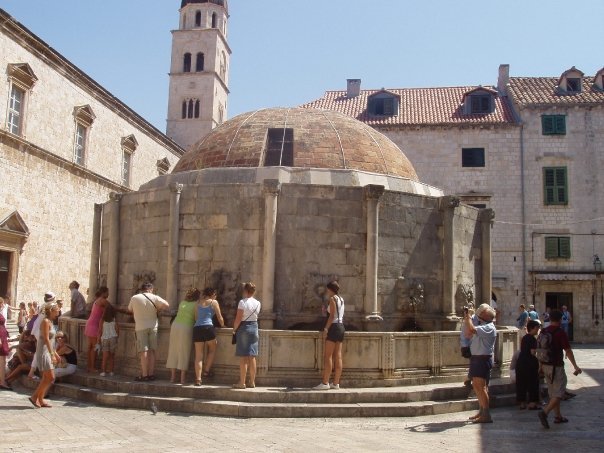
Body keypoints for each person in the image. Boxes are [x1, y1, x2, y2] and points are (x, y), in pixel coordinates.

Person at [537, 310, 582, 429]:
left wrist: (540, 366)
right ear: (561, 319)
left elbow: (540, 348)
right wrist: (575, 366)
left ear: (550, 318)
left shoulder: (544, 331)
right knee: (560, 392)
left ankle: (558, 416)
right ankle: (545, 412)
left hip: (545, 365)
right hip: (556, 366)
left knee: (553, 393)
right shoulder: (560, 333)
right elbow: (568, 350)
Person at [127, 282, 169, 381]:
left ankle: (144, 375)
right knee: (152, 351)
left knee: (143, 351)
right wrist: (157, 308)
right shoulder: (154, 297)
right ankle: (151, 374)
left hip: (140, 327)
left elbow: (129, 309)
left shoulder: (135, 298)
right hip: (153, 326)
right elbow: (167, 305)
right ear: (151, 289)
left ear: (142, 289)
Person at [464, 303, 497, 423]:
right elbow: (469, 331)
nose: (479, 313)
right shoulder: (484, 326)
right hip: (477, 359)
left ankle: (486, 415)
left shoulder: (489, 327)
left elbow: (471, 329)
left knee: (481, 387)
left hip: (482, 360)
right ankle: (482, 411)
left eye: (481, 312)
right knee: (477, 386)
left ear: (485, 315)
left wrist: (467, 317)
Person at [314, 281, 345, 390]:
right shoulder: (341, 299)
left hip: (333, 327)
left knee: (328, 356)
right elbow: (337, 314)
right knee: (338, 356)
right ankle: (336, 383)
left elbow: (332, 316)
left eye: (328, 289)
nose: (327, 291)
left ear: (330, 289)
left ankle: (325, 382)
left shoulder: (332, 299)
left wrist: (326, 329)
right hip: (341, 327)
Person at [29, 301, 61, 408]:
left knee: (47, 378)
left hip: (48, 351)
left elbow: (51, 341)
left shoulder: (51, 322)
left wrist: (55, 353)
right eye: (57, 309)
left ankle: (40, 399)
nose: (58, 310)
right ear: (51, 311)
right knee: (51, 377)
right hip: (44, 352)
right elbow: (46, 339)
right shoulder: (45, 321)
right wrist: (52, 354)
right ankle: (35, 397)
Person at [166, 288, 200, 385]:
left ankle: (172, 377)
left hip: (175, 326)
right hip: (186, 327)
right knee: (184, 351)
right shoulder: (196, 304)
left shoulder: (182, 303)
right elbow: (196, 318)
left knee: (173, 350)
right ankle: (182, 379)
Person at [192, 287, 225, 386]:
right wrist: (223, 325)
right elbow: (219, 317)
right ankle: (206, 371)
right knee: (212, 349)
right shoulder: (213, 302)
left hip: (197, 328)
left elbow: (196, 317)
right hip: (208, 327)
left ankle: (198, 379)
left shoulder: (197, 303)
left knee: (198, 355)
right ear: (213, 294)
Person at [232, 282, 261, 389]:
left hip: (244, 328)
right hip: (254, 327)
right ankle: (252, 382)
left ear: (245, 291)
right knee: (252, 356)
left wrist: (234, 330)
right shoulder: (258, 303)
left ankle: (242, 383)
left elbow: (238, 318)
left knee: (244, 357)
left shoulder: (242, 302)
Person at [515, 320, 541, 410]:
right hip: (529, 363)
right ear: (532, 328)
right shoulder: (532, 339)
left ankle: (522, 403)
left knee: (521, 383)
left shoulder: (525, 338)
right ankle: (532, 403)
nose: (538, 330)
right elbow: (532, 352)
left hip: (521, 362)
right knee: (533, 383)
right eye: (537, 328)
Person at [84, 287, 109, 373]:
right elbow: (111, 308)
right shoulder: (103, 300)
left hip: (90, 323)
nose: (108, 294)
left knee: (90, 347)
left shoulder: (97, 300)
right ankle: (92, 367)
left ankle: (89, 366)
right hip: (94, 325)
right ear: (104, 293)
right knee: (94, 347)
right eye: (107, 292)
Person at [460, 305, 478, 387]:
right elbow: (467, 334)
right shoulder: (470, 319)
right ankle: (470, 378)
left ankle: (470, 378)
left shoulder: (472, 318)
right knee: (474, 362)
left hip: (471, 344)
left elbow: (468, 333)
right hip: (471, 344)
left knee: (474, 362)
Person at [98, 304, 119, 377]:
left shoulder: (102, 320)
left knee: (104, 356)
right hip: (113, 338)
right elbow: (117, 329)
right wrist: (117, 338)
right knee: (112, 356)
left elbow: (100, 331)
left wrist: (98, 341)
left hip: (105, 338)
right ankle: (111, 371)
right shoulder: (114, 319)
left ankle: (103, 371)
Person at [0, 311, 11, 390]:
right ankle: (2, 382)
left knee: (2, 361)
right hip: (1, 338)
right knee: (2, 361)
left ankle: (2, 380)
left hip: (3, 337)